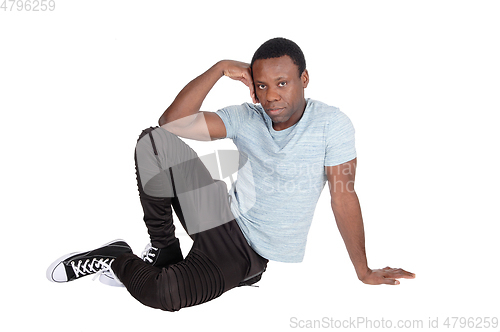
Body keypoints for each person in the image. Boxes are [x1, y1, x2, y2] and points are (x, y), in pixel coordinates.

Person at [46, 37, 415, 312]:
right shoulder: (246, 116)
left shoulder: (332, 124)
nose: (271, 96)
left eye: (282, 83)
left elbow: (343, 195)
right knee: (153, 143)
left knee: (165, 294)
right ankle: (163, 246)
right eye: (262, 85)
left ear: (304, 78)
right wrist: (220, 67)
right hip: (218, 212)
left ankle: (116, 257)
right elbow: (170, 124)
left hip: (245, 252)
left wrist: (363, 270)